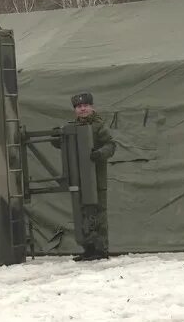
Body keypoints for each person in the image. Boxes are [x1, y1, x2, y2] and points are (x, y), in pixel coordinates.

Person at [70, 91, 116, 261]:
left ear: (91, 107)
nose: (82, 109)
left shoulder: (98, 126)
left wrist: (99, 154)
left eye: (85, 106)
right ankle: (88, 248)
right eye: (79, 107)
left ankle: (101, 249)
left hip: (96, 177)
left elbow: (111, 145)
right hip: (80, 178)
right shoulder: (73, 128)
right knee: (83, 213)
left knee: (98, 213)